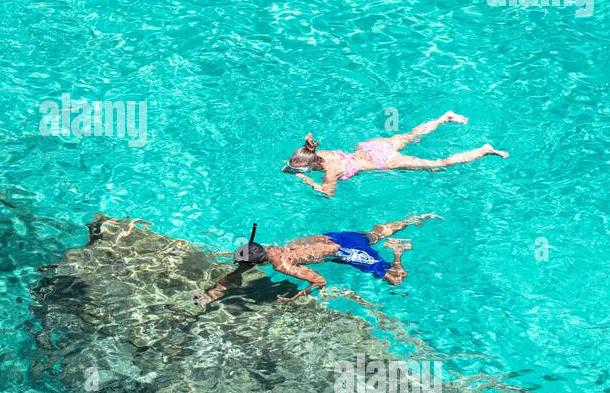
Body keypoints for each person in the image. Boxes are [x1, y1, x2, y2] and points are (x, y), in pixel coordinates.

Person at [195, 215, 439, 305]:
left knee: (395, 280)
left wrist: (297, 296)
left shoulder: (283, 265)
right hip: (332, 236)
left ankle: (398, 252)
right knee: (374, 234)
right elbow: (239, 270)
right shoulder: (272, 249)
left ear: (258, 262)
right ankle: (413, 220)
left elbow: (320, 280)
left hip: (344, 251)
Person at [282, 111, 507, 197]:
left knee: (439, 164)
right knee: (411, 136)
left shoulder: (329, 171)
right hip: (371, 147)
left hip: (383, 160)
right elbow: (304, 154)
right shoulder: (319, 153)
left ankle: (484, 150)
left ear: (310, 165)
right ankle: (443, 118)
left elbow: (328, 194)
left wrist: (306, 180)